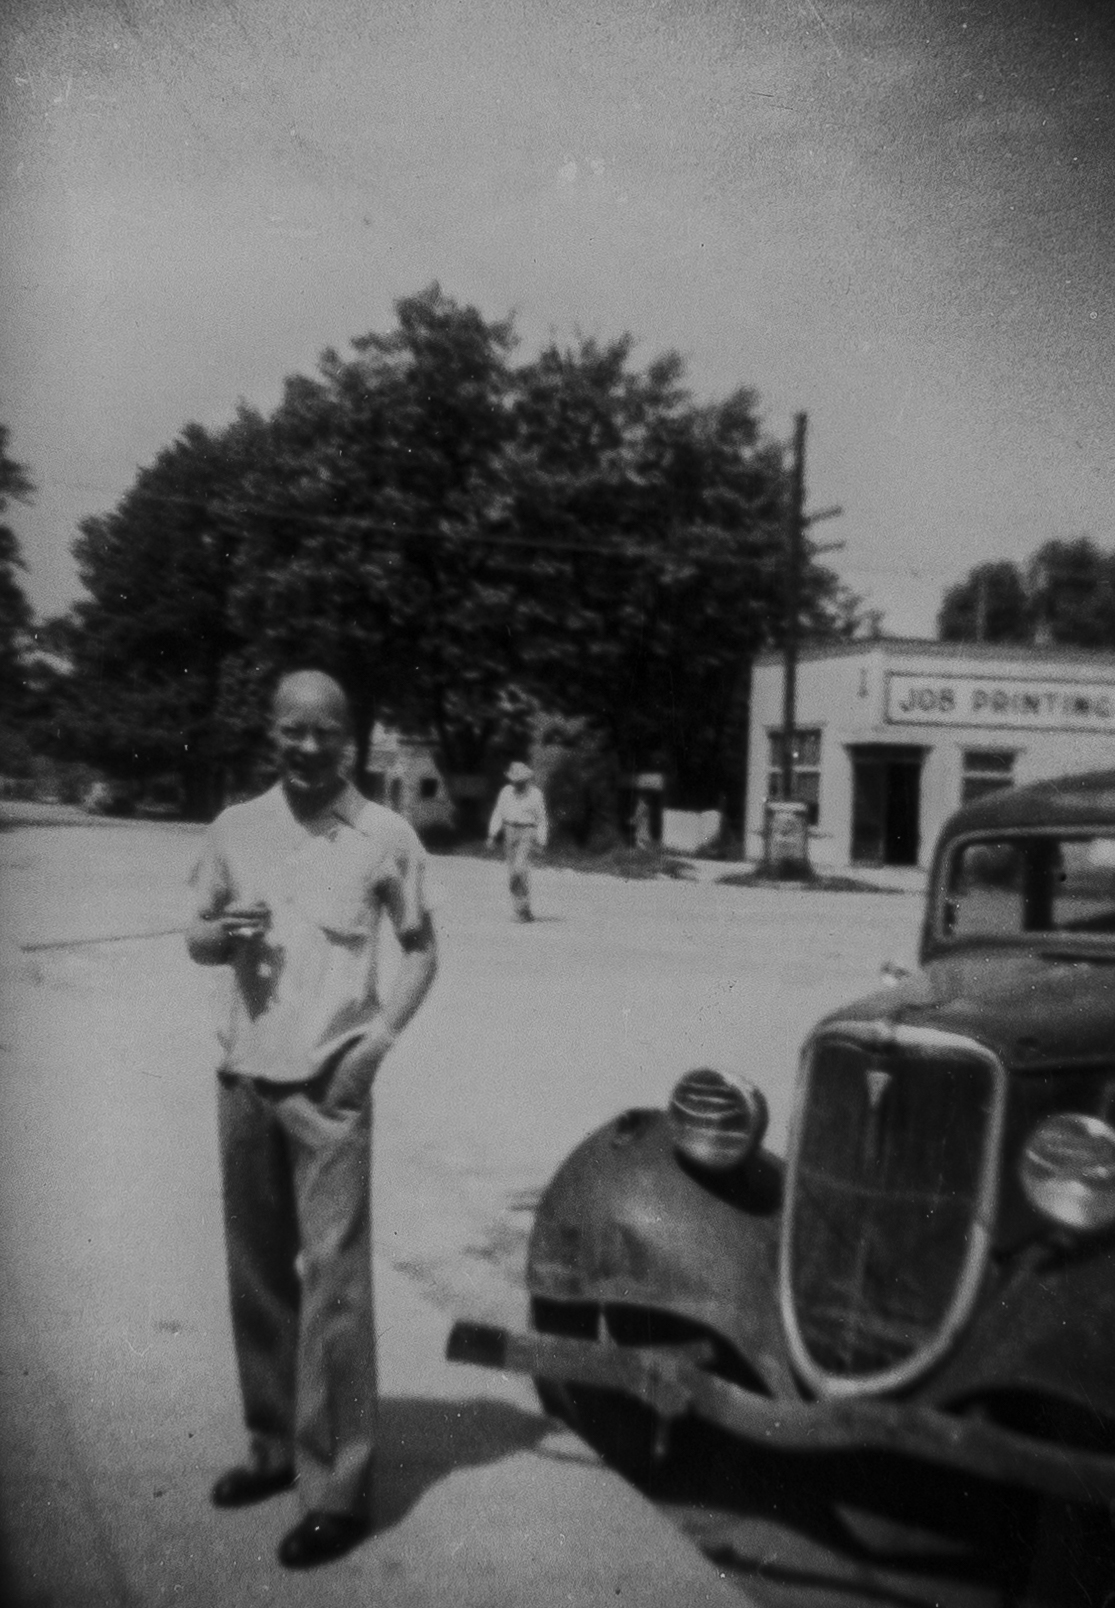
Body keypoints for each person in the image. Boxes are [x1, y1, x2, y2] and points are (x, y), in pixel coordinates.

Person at [185, 669, 437, 1569]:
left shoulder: (385, 836)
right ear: (272, 733)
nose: (305, 747)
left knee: (334, 1286)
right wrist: (221, 935)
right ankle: (270, 1448)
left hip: (330, 1086)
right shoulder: (235, 827)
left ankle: (338, 1489)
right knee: (256, 1275)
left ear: (350, 738)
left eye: (323, 732)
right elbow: (197, 933)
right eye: (291, 730)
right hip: (245, 1079)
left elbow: (420, 952)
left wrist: (379, 1044)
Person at [487, 760, 549, 921]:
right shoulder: (506, 792)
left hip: (527, 831)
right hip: (509, 831)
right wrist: (492, 835)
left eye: (521, 781)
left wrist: (541, 841)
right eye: (515, 781)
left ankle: (524, 906)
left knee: (520, 868)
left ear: (527, 780)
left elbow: (542, 819)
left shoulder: (536, 795)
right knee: (512, 873)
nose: (517, 784)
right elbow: (498, 813)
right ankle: (521, 909)